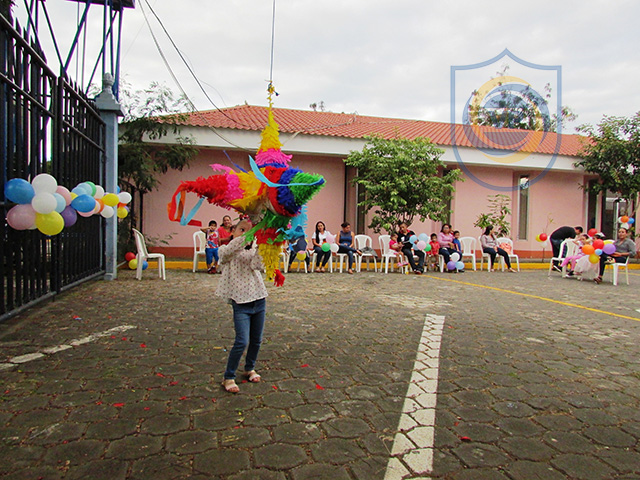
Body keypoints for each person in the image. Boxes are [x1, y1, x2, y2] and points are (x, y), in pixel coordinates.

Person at [217, 220, 267, 394]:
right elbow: (227, 254)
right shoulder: (225, 250)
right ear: (233, 231)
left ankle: (249, 368)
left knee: (256, 340)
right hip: (240, 303)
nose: (246, 234)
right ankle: (228, 376)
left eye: (250, 231)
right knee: (241, 341)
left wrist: (263, 245)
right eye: (242, 230)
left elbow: (258, 265)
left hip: (259, 299)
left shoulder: (253, 250)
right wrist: (247, 237)